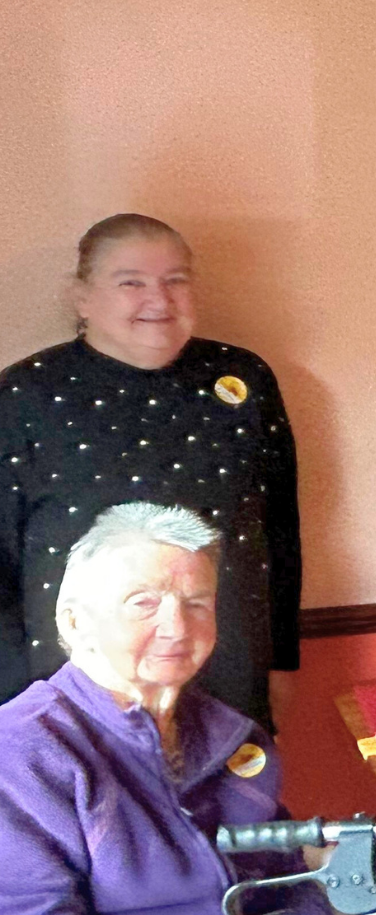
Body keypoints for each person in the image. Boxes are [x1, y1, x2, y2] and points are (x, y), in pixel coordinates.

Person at [0, 503, 376, 915]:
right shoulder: (21, 752)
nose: (176, 626)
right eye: (143, 603)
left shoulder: (227, 735)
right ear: (75, 620)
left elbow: (281, 883)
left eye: (197, 602)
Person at [0, 214, 300, 730]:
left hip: (225, 665)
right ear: (83, 298)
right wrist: (12, 702)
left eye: (175, 280)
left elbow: (278, 530)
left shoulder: (244, 378)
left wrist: (280, 659)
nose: (159, 301)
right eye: (130, 283)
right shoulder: (24, 396)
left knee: (229, 806)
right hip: (70, 680)